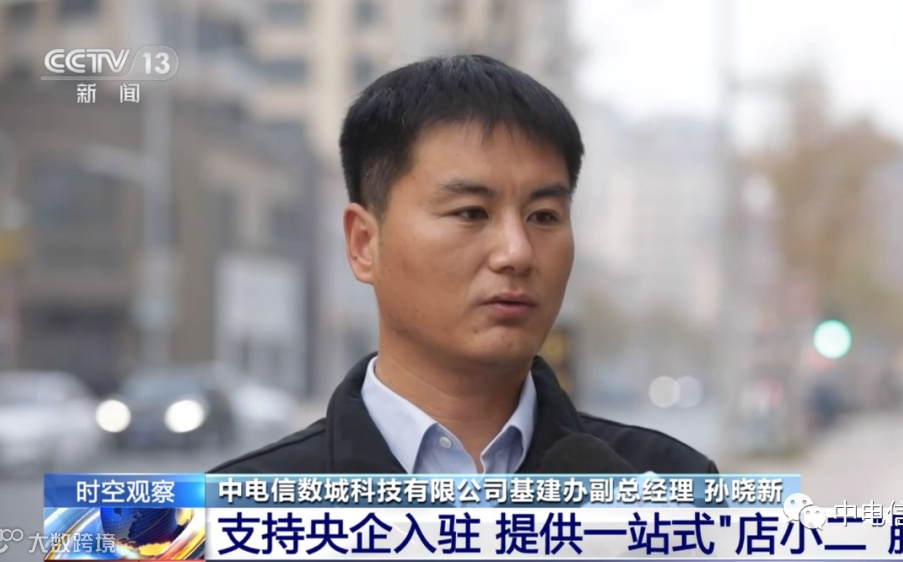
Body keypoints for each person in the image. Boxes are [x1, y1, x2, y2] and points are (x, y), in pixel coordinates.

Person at [210, 55, 719, 475]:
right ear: (365, 243)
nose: (517, 252)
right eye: (471, 213)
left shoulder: (672, 490)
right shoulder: (222, 520)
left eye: (544, 216)